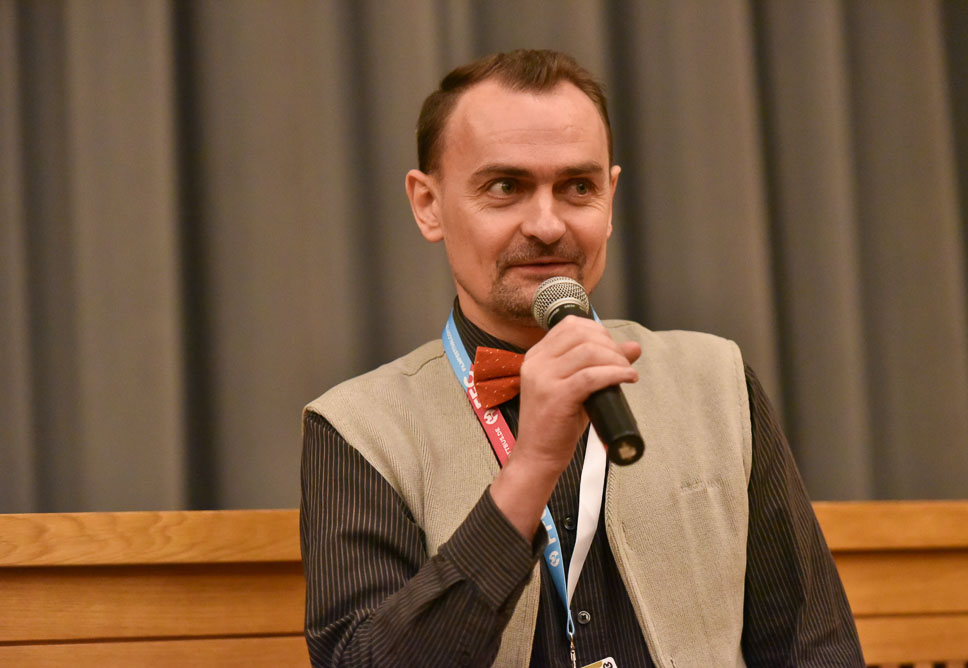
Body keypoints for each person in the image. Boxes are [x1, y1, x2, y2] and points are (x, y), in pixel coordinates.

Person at [300, 49, 864, 667]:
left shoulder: (718, 382)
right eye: (505, 187)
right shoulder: (356, 429)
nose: (547, 225)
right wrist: (530, 470)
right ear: (428, 205)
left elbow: (814, 648)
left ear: (610, 199)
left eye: (577, 188)